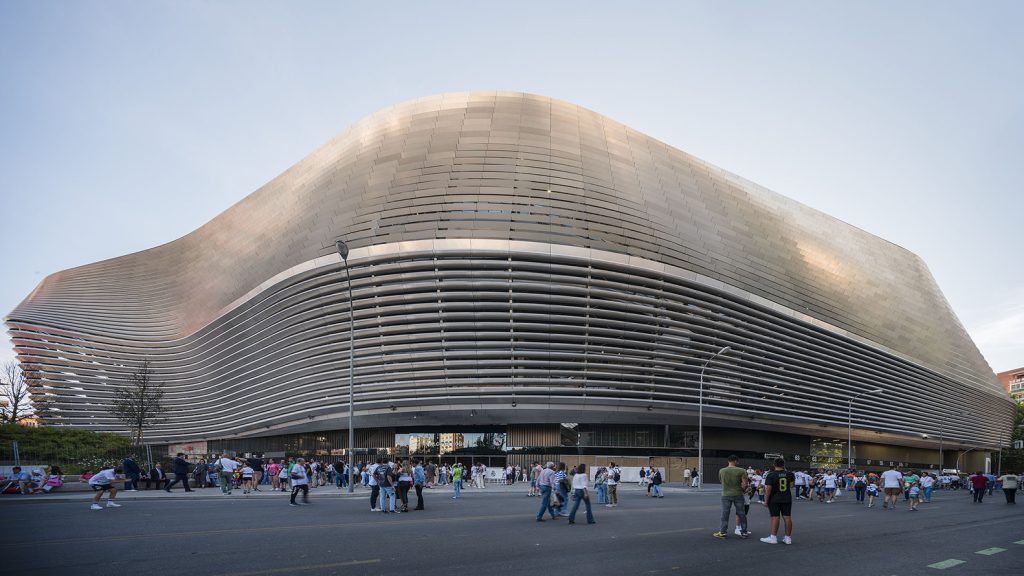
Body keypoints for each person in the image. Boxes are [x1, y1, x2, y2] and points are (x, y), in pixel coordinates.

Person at [759, 458, 795, 545]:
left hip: (774, 499)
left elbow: (768, 489)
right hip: (786, 498)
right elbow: (792, 485)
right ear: (784, 465)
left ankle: (773, 537)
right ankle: (788, 538)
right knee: (787, 517)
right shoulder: (790, 474)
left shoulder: (771, 475)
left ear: (774, 465)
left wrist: (766, 500)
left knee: (775, 517)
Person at [713, 455, 750, 539]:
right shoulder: (742, 470)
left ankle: (723, 532)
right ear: (736, 461)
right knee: (741, 513)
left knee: (725, 513)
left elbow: (721, 482)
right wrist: (743, 490)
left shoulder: (722, 471)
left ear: (728, 461)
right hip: (738, 494)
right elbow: (745, 484)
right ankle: (744, 532)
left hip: (726, 494)